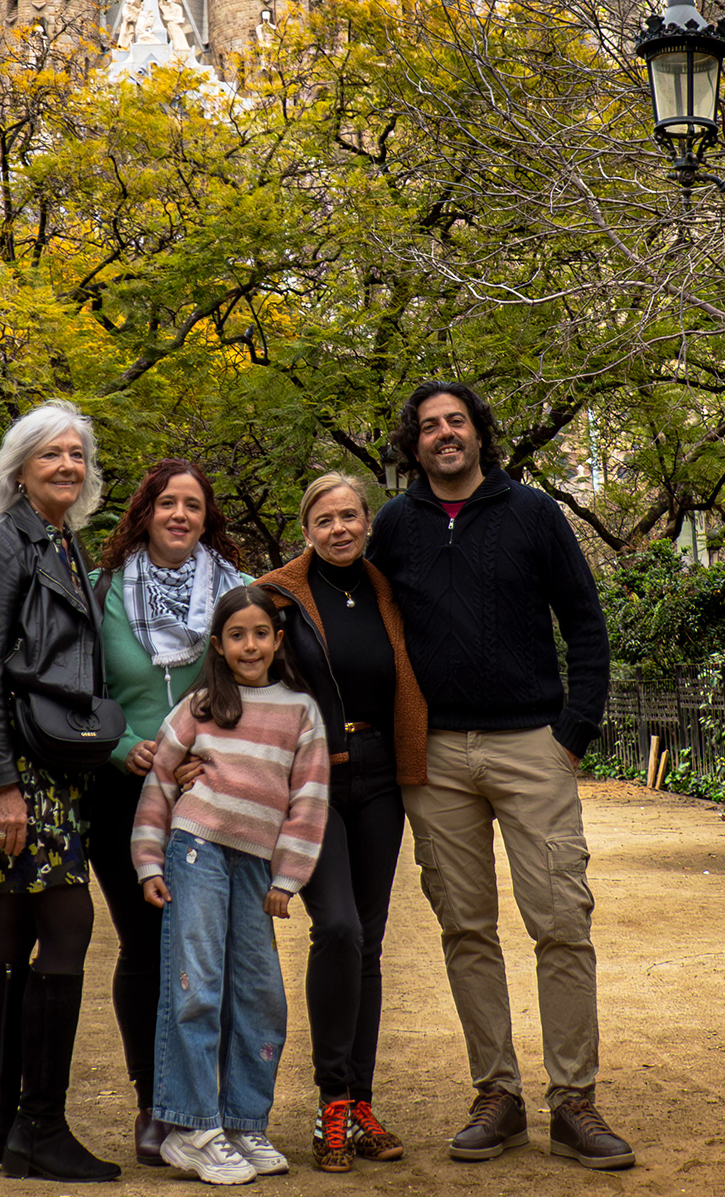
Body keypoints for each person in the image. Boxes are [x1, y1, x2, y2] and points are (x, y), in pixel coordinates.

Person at [367, 382, 634, 1173]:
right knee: (465, 928)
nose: (444, 435)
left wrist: (571, 737)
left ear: (480, 432)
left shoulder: (535, 515)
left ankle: (574, 1102)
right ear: (412, 444)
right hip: (436, 757)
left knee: (561, 922)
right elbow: (350, 602)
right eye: (427, 427)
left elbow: (584, 623)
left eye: (456, 421)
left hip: (531, 747)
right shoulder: (394, 526)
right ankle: (499, 1096)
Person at [0, 403, 121, 1182]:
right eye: (52, 454)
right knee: (71, 923)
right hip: (20, 766)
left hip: (50, 765)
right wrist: (2, 787)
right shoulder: (1, 544)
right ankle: (38, 1128)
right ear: (20, 468)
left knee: (13, 933)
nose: (68, 467)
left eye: (78, 455)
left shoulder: (60, 543)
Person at [254, 472, 428, 1172]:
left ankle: (360, 1100)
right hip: (314, 779)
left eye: (350, 516)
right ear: (307, 529)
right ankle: (331, 1098)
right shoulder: (279, 596)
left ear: (366, 522)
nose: (340, 529)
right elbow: (244, 674)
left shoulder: (385, 589)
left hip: (381, 775)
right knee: (340, 927)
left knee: (372, 940)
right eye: (325, 520)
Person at [131, 585, 331, 1188]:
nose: (250, 645)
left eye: (261, 634)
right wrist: (149, 863)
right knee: (197, 985)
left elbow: (309, 799)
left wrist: (288, 877)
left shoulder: (300, 710)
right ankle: (191, 1127)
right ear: (218, 645)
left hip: (256, 868)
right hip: (196, 851)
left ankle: (245, 1120)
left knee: (260, 993)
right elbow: (161, 785)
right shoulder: (198, 706)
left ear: (277, 640)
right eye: (237, 635)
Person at [90, 459, 248, 1165]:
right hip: (121, 791)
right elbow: (81, 691)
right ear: (145, 513)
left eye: (193, 504)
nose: (180, 514)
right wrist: (123, 745)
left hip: (204, 795)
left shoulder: (234, 593)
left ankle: (206, 1100)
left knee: (205, 951)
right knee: (145, 944)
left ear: (206, 516)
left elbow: (253, 679)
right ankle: (154, 1105)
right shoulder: (104, 595)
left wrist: (202, 752)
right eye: (167, 503)